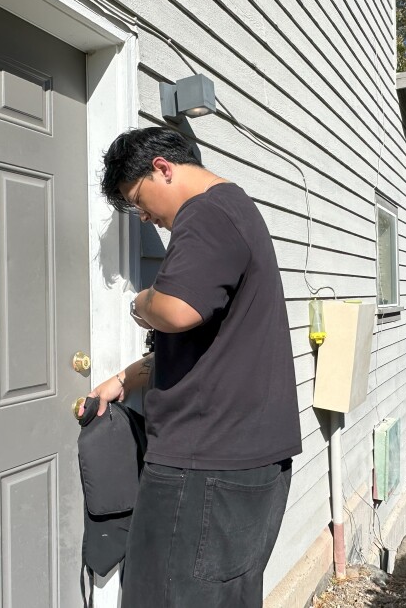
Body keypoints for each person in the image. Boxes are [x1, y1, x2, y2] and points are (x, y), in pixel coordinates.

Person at [84, 126, 301, 607]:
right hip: (240, 463)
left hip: (205, 468)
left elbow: (178, 310)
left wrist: (141, 302)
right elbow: (211, 344)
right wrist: (125, 379)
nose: (143, 215)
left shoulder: (205, 213)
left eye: (137, 200)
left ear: (162, 168)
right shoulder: (234, 210)